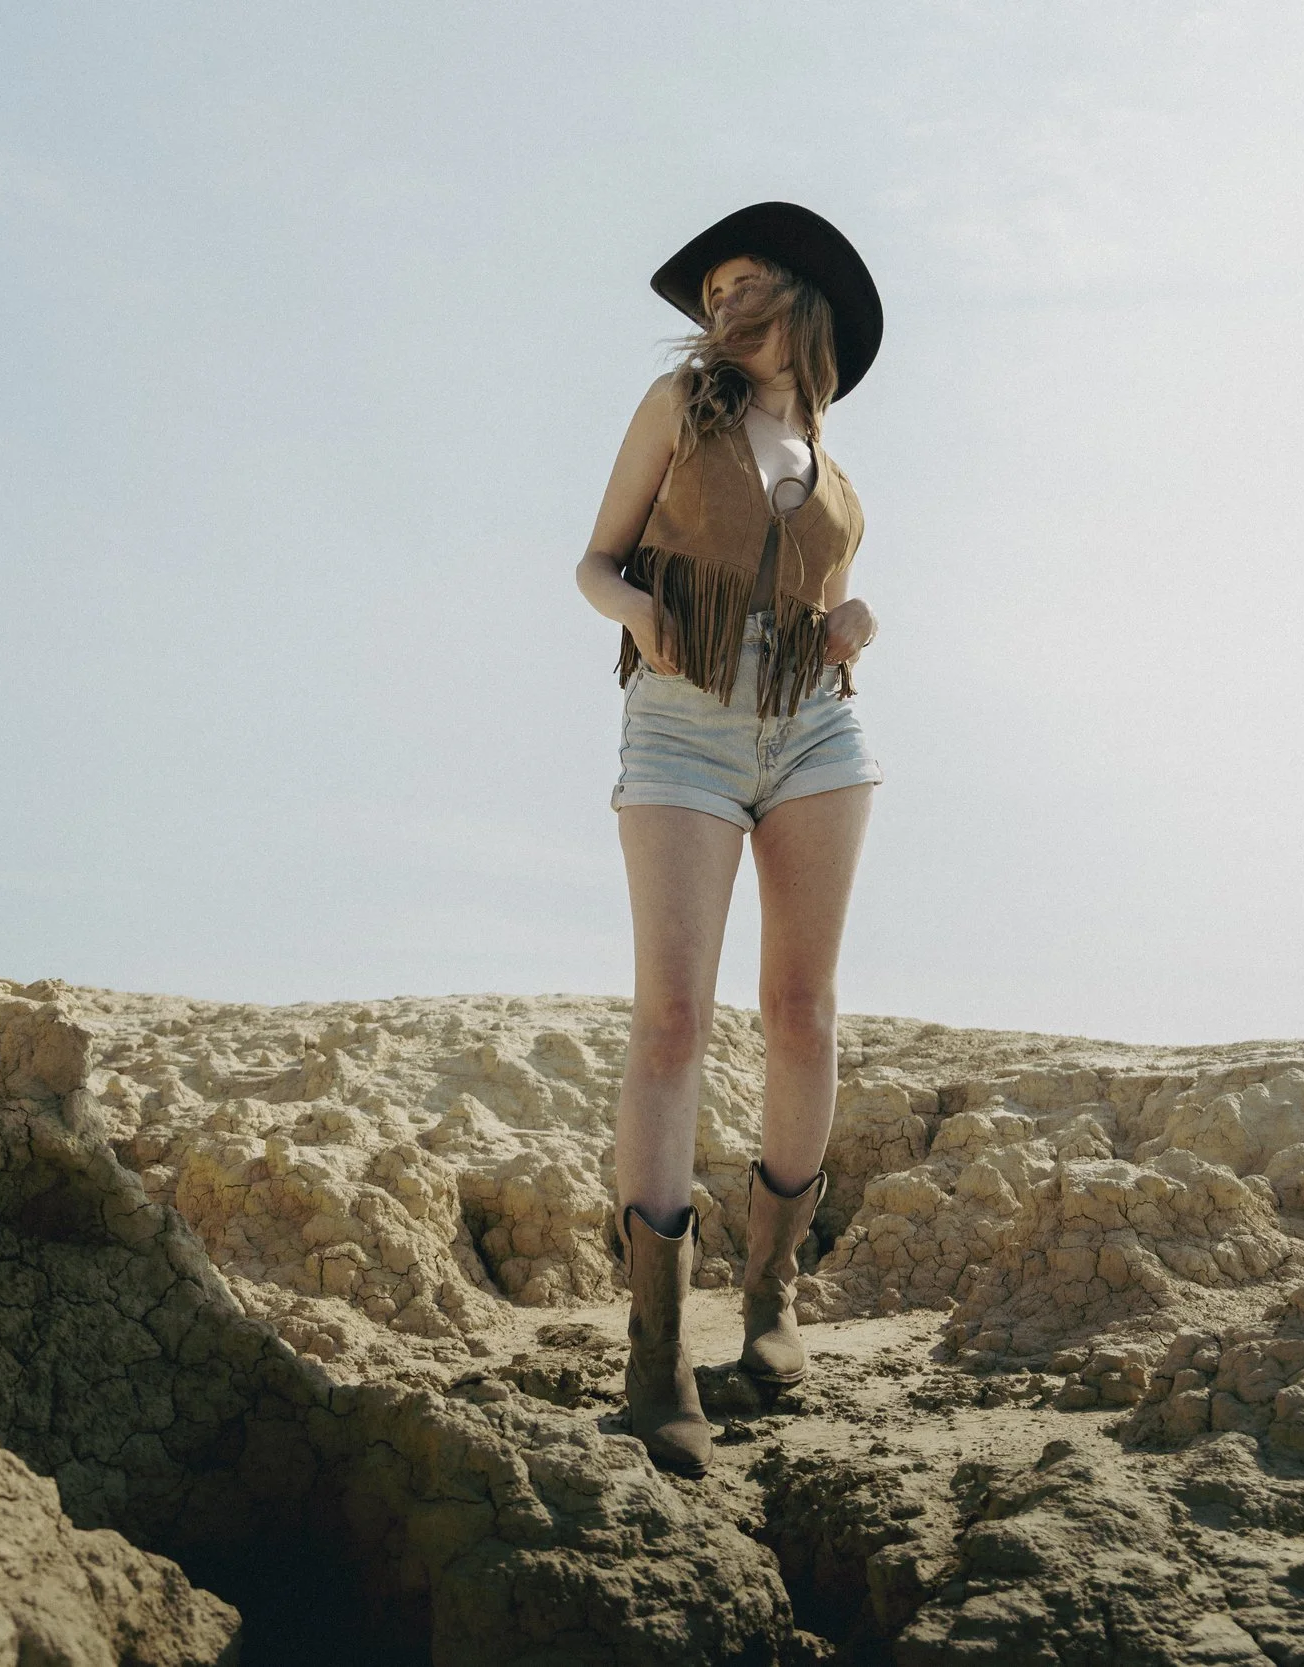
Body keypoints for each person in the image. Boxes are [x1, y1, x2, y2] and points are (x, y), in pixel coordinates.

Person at [572, 202, 885, 1476]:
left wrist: (854, 619)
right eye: (708, 290)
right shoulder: (676, 411)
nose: (718, 303)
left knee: (803, 1009)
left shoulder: (831, 460)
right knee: (672, 1020)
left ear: (799, 299)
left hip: (814, 724)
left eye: (742, 281)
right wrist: (645, 620)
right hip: (684, 720)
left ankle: (772, 1298)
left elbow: (820, 596)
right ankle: (655, 1357)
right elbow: (593, 562)